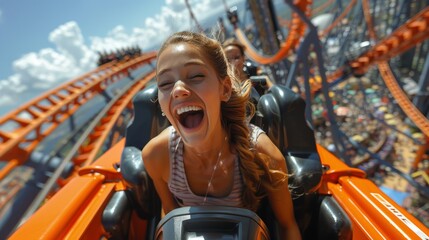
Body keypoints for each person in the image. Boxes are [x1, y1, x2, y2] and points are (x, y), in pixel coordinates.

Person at [142, 31, 301, 239]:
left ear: (224, 89)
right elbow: (171, 213)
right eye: (165, 83)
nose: (179, 90)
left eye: (196, 76)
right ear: (162, 104)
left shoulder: (263, 153)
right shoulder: (156, 155)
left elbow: (287, 226)